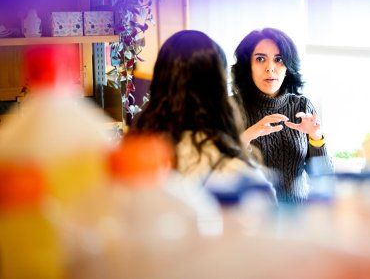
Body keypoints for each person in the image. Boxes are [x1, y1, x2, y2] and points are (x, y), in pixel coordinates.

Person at [130, 30, 275, 196]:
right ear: (218, 88)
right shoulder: (235, 170)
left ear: (160, 81)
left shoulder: (134, 155)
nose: (270, 68)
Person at [231, 28, 333, 202]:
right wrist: (247, 136)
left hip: (297, 218)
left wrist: (316, 138)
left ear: (288, 66)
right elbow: (220, 176)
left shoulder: (302, 106)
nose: (270, 68)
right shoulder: (231, 107)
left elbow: (325, 178)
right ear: (248, 66)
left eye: (279, 60)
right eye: (260, 59)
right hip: (250, 218)